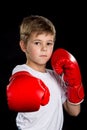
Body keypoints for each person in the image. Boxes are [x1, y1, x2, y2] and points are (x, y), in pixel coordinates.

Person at [6, 15, 84, 130]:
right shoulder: (22, 71)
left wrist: (74, 85)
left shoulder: (56, 77)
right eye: (37, 43)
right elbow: (18, 80)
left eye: (49, 43)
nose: (44, 48)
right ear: (23, 46)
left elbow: (74, 112)